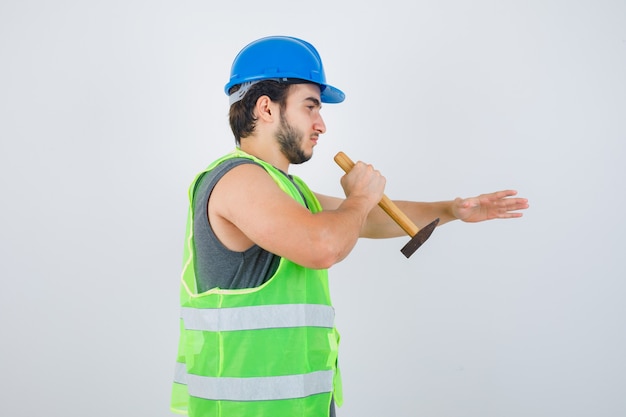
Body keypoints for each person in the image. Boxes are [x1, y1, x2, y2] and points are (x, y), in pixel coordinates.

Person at [170, 36, 529, 417]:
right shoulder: (239, 179)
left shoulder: (286, 189)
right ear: (266, 108)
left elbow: (363, 220)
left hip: (296, 406)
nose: (321, 124)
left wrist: (453, 209)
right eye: (310, 107)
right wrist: (359, 198)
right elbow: (324, 245)